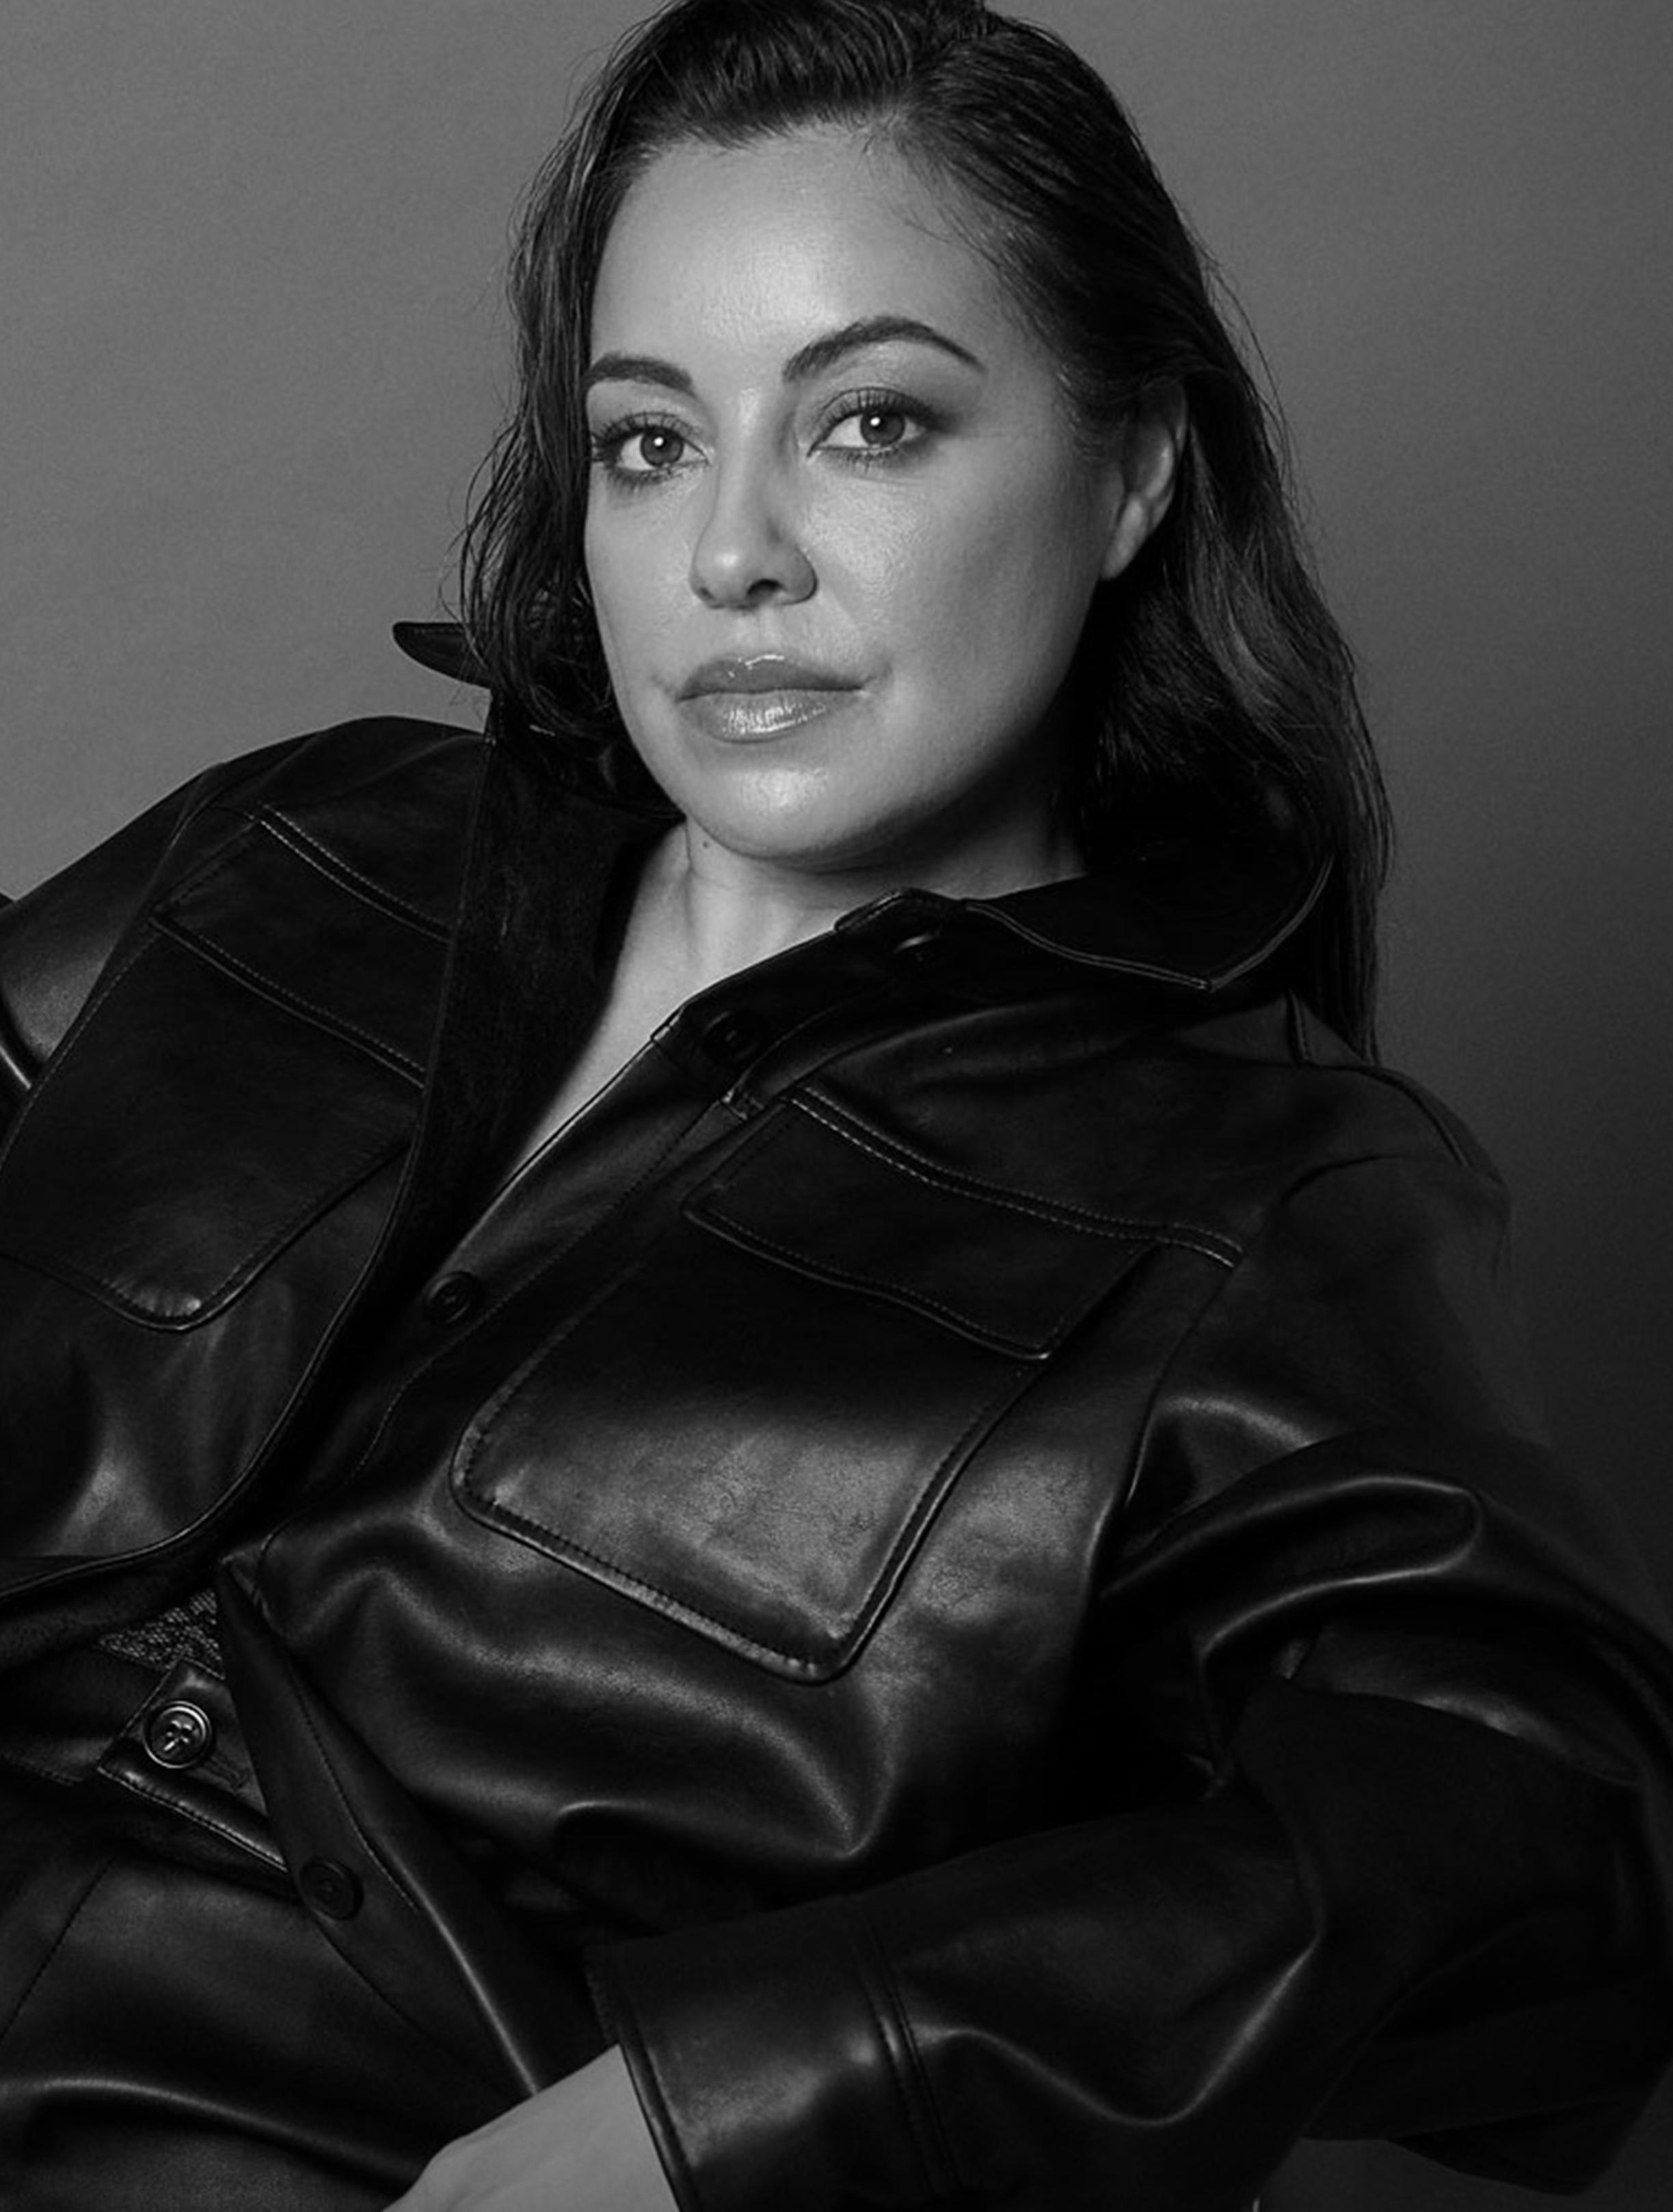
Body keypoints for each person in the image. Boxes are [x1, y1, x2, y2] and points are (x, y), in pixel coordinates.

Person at [1, 0, 1670, 2206]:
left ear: (1132, 468)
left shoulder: (1263, 1190)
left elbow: (1553, 1837)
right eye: (649, 441)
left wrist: (734, 2112)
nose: (734, 555)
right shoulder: (302, 849)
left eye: (871, 423)